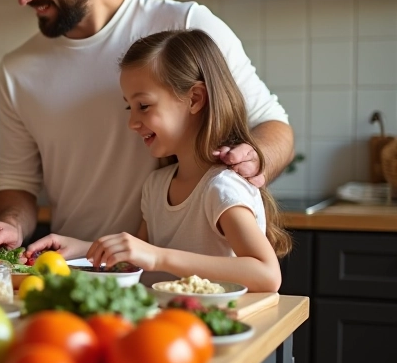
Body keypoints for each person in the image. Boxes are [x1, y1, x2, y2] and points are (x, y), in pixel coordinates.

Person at [0, 0, 294, 258]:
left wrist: (255, 160)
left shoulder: (186, 24)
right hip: (81, 269)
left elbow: (274, 126)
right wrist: (10, 222)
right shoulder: (17, 69)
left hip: (183, 276)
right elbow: (16, 180)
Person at [28, 30, 289, 292]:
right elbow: (138, 258)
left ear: (194, 99)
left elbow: (267, 275)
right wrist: (82, 249)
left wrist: (159, 256)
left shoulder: (221, 187)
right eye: (130, 107)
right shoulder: (156, 186)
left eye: (143, 106)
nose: (132, 123)